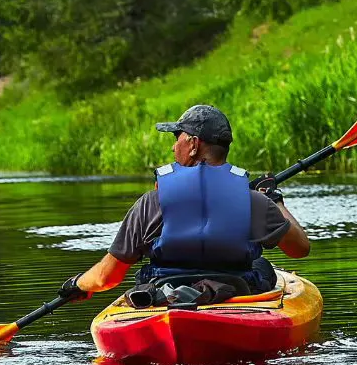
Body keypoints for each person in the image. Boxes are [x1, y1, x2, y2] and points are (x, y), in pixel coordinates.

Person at [57, 104, 310, 307]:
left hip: (164, 293)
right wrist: (274, 199)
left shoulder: (150, 203)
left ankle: (183, 296)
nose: (172, 145)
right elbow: (300, 248)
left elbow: (106, 278)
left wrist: (78, 284)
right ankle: (209, 294)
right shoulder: (254, 201)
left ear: (193, 144)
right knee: (263, 267)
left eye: (177, 137)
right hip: (235, 291)